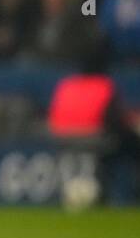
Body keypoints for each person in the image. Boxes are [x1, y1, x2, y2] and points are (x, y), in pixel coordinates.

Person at [48, 38, 140, 199]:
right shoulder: (104, 85)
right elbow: (113, 120)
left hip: (63, 138)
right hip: (95, 138)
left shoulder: (67, 84)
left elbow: (54, 115)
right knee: (132, 145)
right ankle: (132, 192)